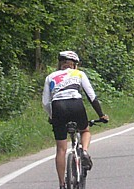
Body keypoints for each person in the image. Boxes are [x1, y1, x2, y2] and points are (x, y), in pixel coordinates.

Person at [42, 51, 109, 189]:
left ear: (60, 63)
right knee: (85, 130)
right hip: (75, 104)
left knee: (61, 149)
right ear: (74, 64)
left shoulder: (50, 77)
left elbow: (45, 103)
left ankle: (61, 184)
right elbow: (92, 96)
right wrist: (101, 115)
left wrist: (52, 116)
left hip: (58, 107)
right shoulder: (79, 74)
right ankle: (84, 151)